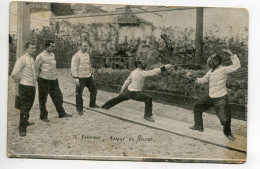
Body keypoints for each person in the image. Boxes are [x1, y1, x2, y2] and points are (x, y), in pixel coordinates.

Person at [188, 49, 241, 141]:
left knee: (225, 118)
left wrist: (232, 54)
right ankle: (198, 126)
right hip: (210, 96)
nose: (210, 63)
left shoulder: (224, 69)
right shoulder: (211, 71)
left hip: (221, 97)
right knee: (197, 107)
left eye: (212, 61)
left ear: (216, 62)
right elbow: (203, 80)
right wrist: (193, 79)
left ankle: (228, 133)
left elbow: (237, 66)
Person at [101, 58, 172, 122]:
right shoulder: (142, 73)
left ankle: (105, 106)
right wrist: (164, 67)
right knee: (148, 99)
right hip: (134, 93)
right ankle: (147, 116)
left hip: (128, 91)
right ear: (139, 65)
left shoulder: (133, 72)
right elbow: (154, 72)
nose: (144, 64)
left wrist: (121, 91)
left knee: (118, 98)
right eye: (142, 63)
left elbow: (126, 82)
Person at [35, 40, 72, 122]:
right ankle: (43, 116)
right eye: (52, 46)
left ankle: (61, 113)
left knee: (58, 97)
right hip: (44, 80)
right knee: (43, 99)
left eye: (54, 46)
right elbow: (36, 69)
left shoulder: (53, 55)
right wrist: (37, 79)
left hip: (54, 79)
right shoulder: (40, 56)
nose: (54, 48)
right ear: (47, 46)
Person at [11, 42, 37, 137]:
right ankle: (22, 128)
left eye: (35, 48)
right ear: (26, 49)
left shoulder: (31, 58)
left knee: (29, 106)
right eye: (32, 48)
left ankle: (25, 121)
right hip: (24, 86)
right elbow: (14, 73)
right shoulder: (22, 59)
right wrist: (18, 83)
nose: (34, 50)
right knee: (24, 107)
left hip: (31, 86)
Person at [71, 41, 100, 115]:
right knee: (79, 93)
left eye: (87, 46)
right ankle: (79, 109)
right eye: (84, 46)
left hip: (88, 76)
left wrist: (91, 74)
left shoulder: (87, 55)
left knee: (94, 89)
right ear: (80, 47)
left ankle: (92, 104)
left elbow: (89, 65)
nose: (86, 48)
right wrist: (76, 79)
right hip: (80, 77)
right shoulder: (76, 56)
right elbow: (73, 68)